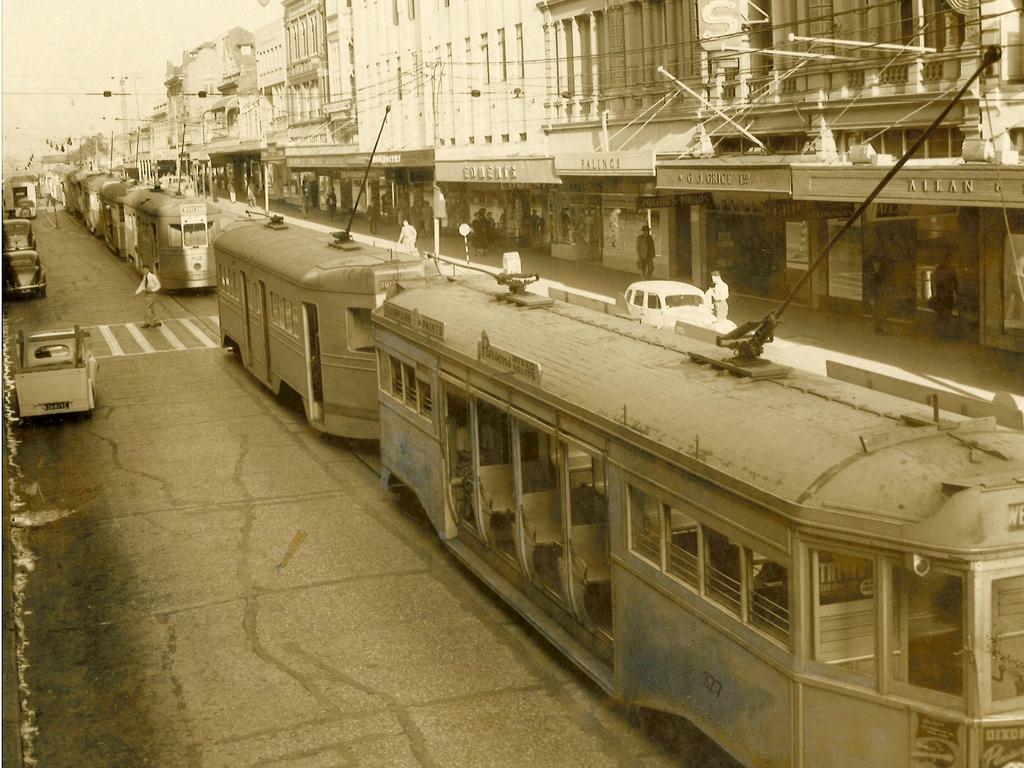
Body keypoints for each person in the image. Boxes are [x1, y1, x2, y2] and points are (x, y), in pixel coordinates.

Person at [931, 249, 959, 338]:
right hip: (945, 293)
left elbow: (935, 281)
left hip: (943, 293)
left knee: (942, 314)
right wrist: (955, 290)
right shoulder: (951, 268)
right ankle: (944, 333)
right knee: (944, 314)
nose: (952, 260)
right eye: (951, 258)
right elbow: (955, 282)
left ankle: (941, 333)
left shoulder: (940, 268)